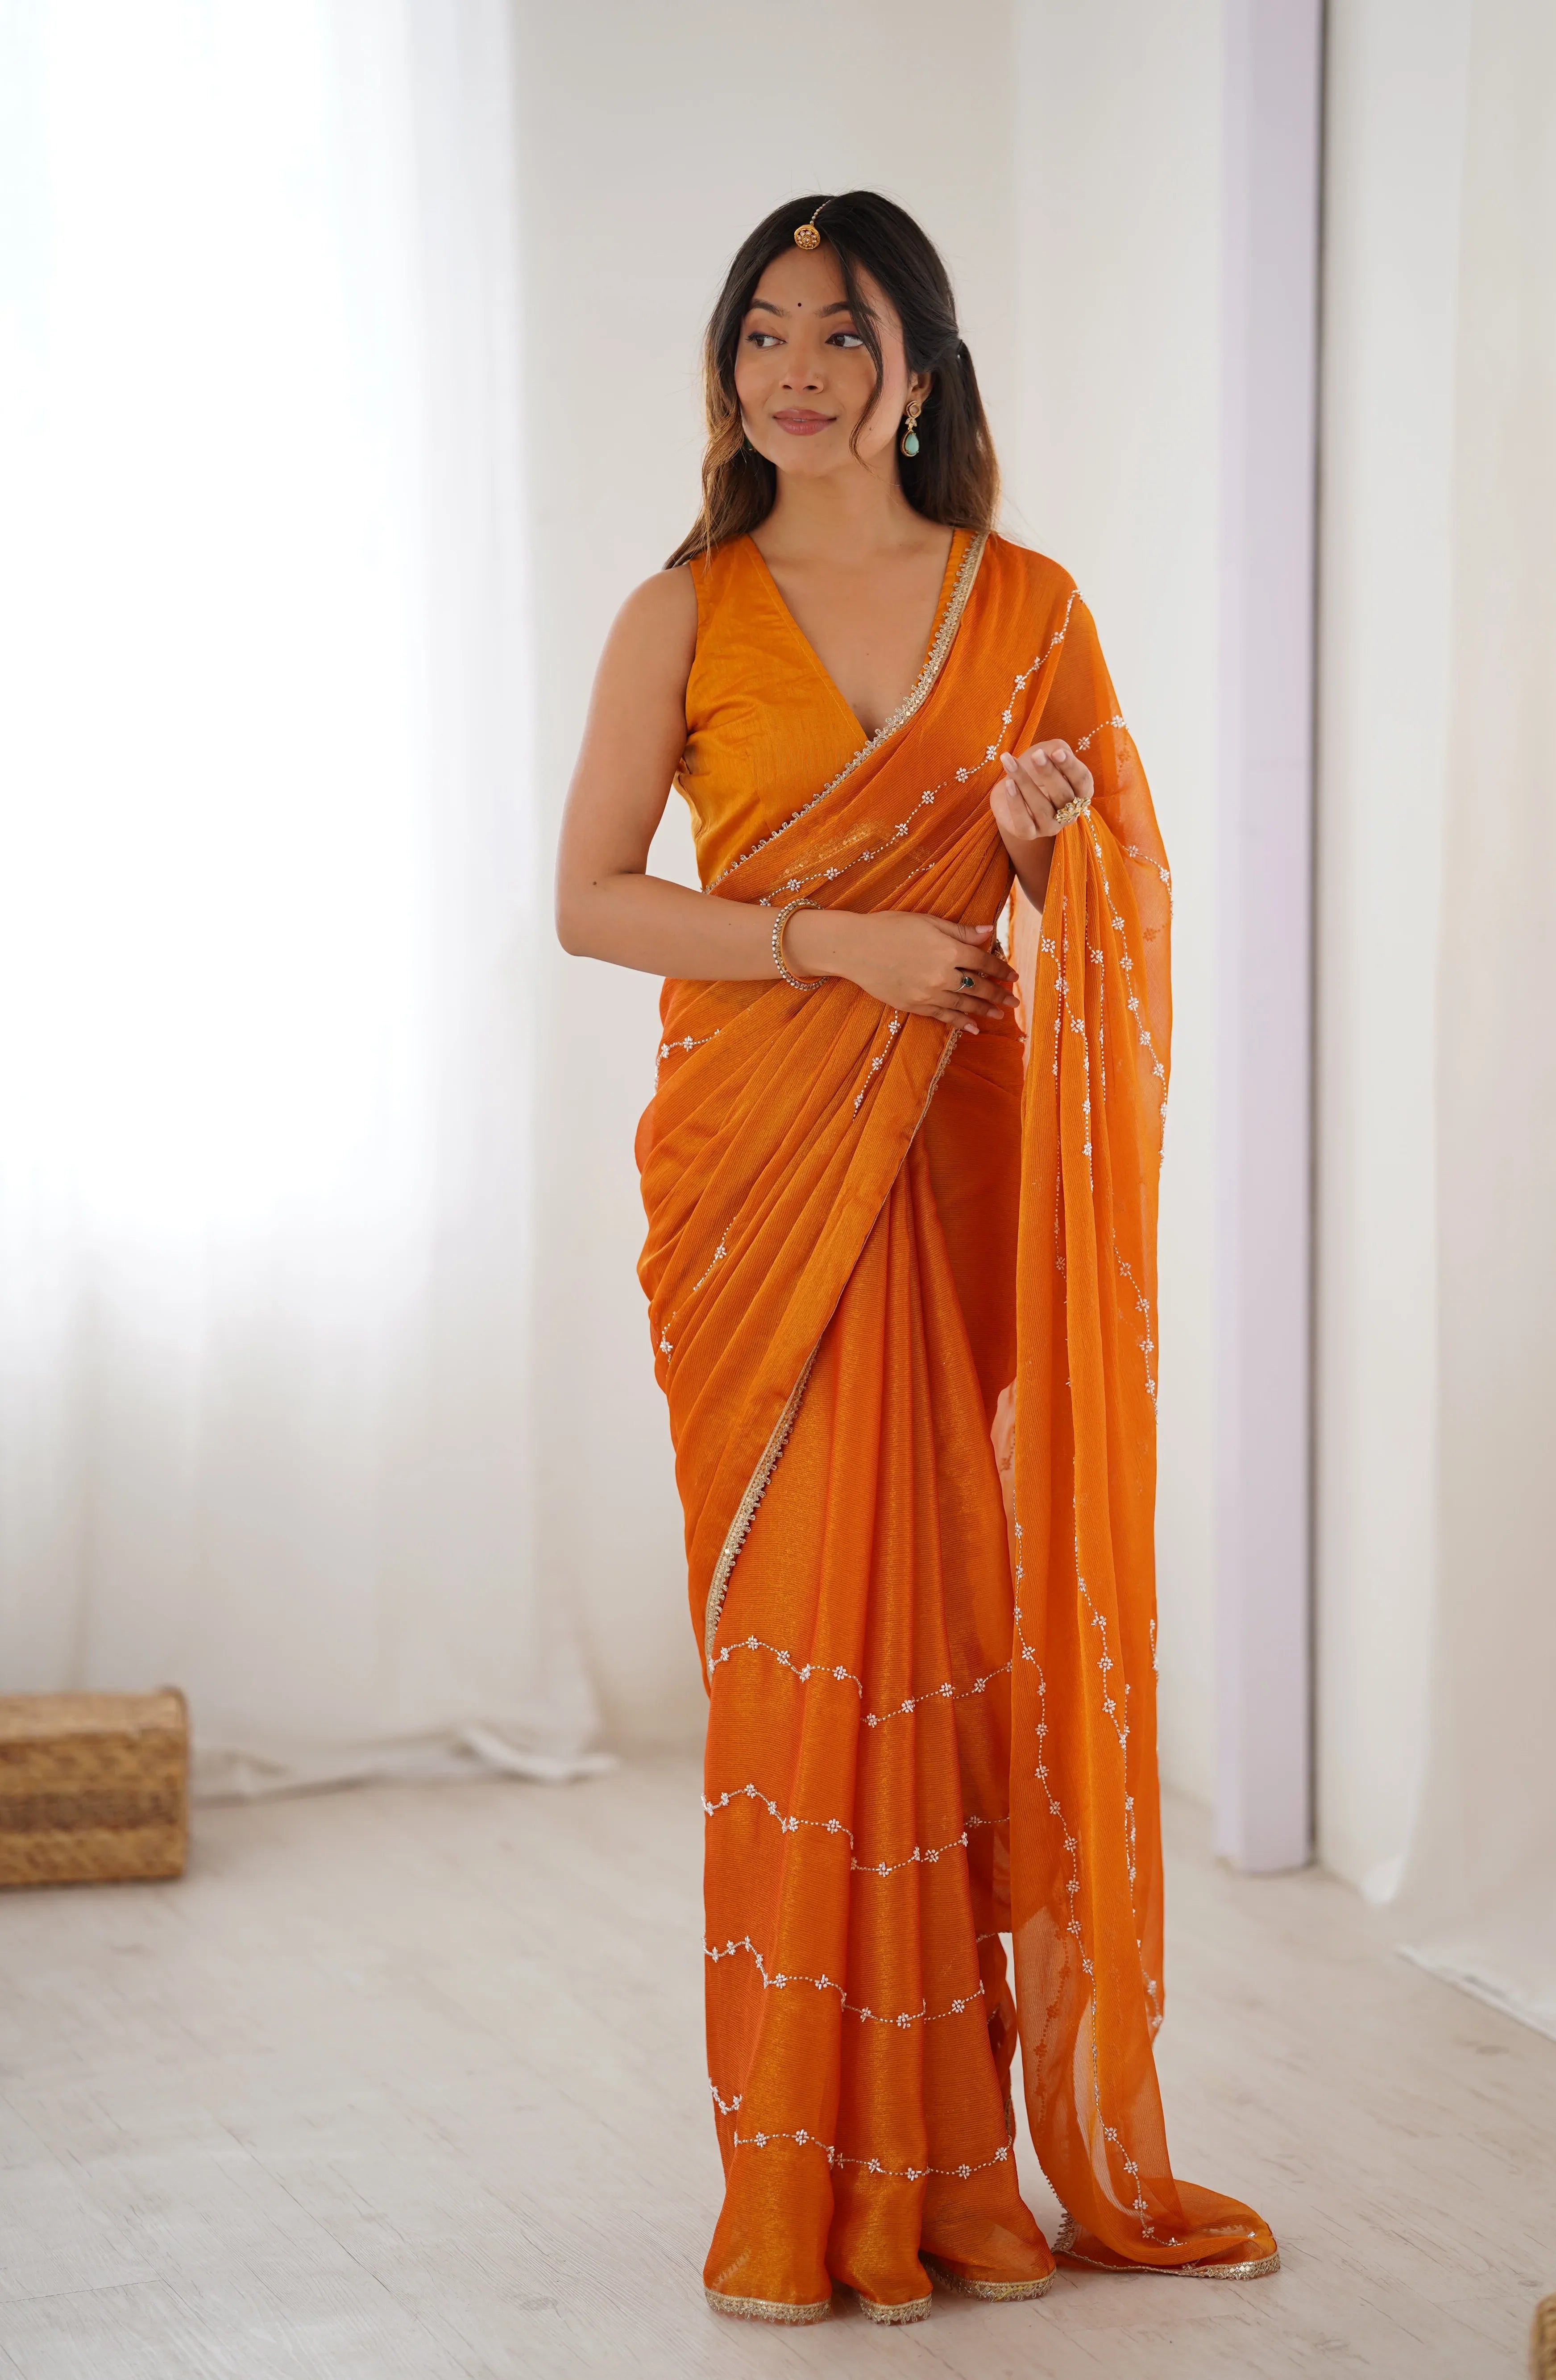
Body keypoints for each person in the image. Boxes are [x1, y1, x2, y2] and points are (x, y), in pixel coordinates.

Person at [556, 189, 1277, 2326]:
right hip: (762, 1188)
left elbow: (1106, 894)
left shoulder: (1029, 605)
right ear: (730, 367)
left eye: (838, 331)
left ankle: (967, 2178)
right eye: (760, 329)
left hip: (954, 1188)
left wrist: (1052, 845)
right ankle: (808, 2189)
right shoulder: (678, 614)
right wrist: (826, 944)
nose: (792, 365)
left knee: (951, 1666)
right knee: (803, 1676)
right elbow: (593, 898)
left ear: (918, 371)